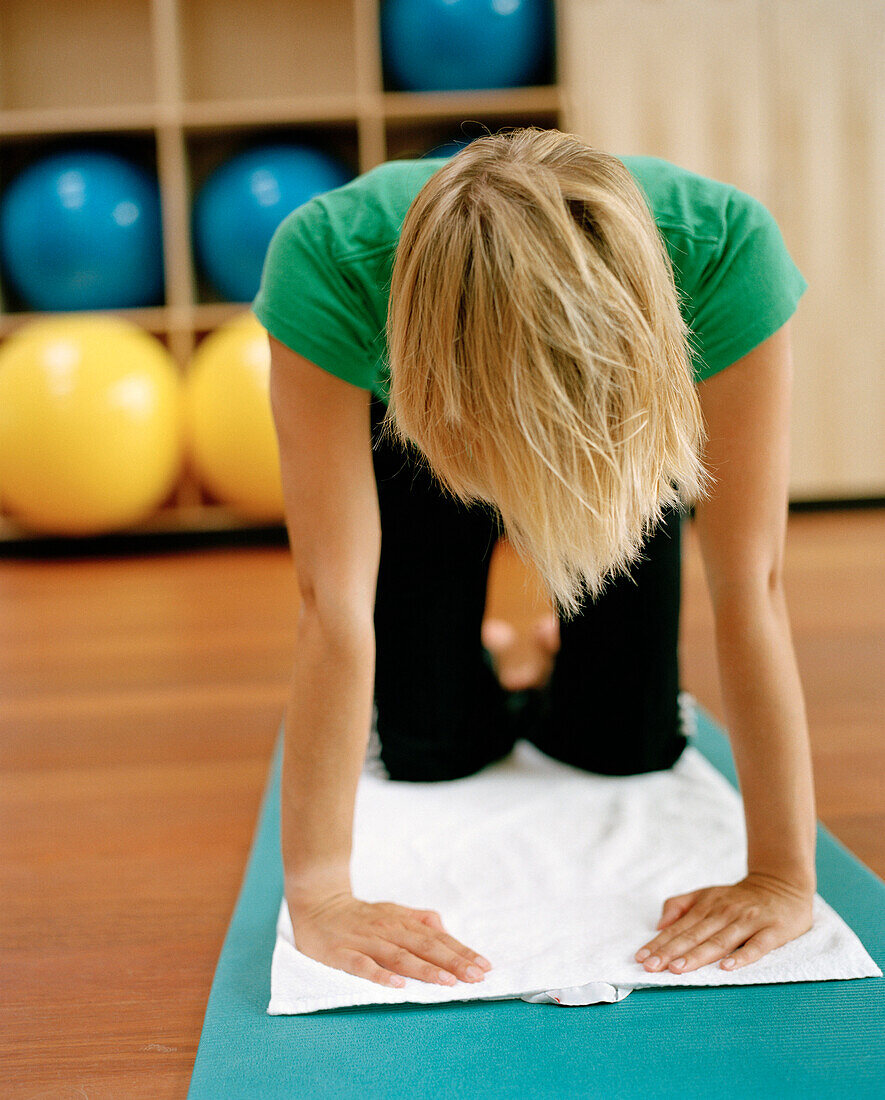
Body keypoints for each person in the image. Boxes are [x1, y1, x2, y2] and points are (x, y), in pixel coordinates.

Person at [253, 127, 816, 992]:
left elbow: (753, 584)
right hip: (411, 429)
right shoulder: (329, 258)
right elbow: (332, 600)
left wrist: (781, 877)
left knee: (622, 744)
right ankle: (503, 649)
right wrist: (320, 891)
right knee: (428, 746)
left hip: (619, 419)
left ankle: (543, 652)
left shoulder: (725, 252)